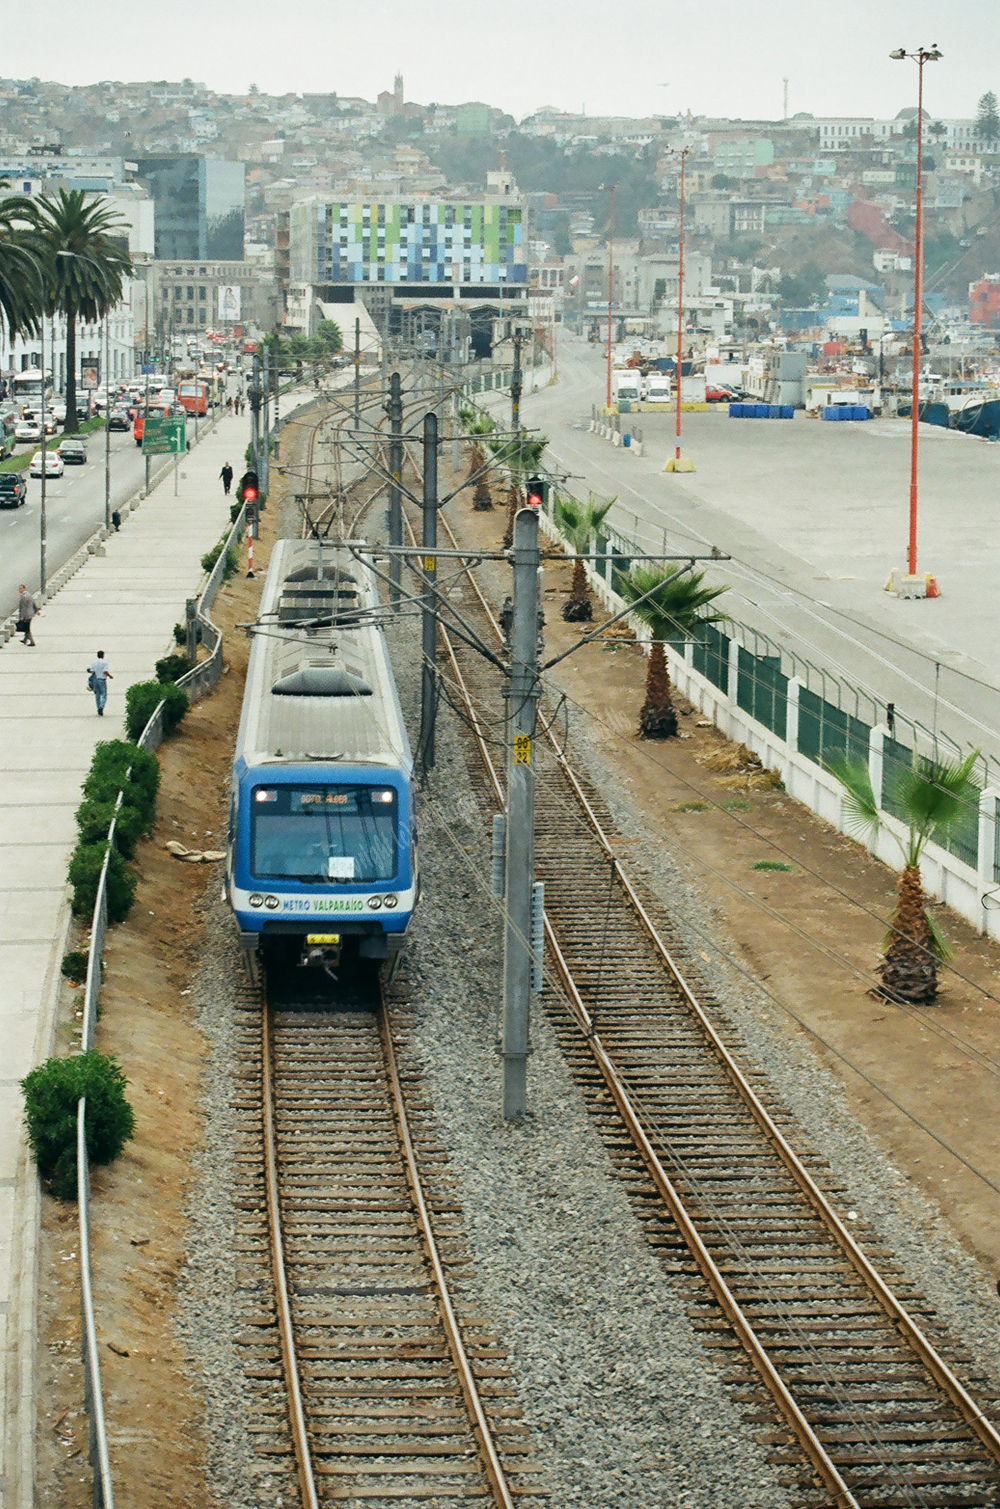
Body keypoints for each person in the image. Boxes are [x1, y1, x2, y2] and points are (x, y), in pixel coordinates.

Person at [87, 650, 113, 716]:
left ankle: (98, 708)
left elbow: (92, 671)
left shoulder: (93, 662)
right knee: (104, 694)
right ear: (103, 655)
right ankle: (101, 707)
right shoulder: (105, 662)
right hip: (102, 680)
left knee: (97, 695)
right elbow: (105, 671)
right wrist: (110, 676)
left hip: (95, 680)